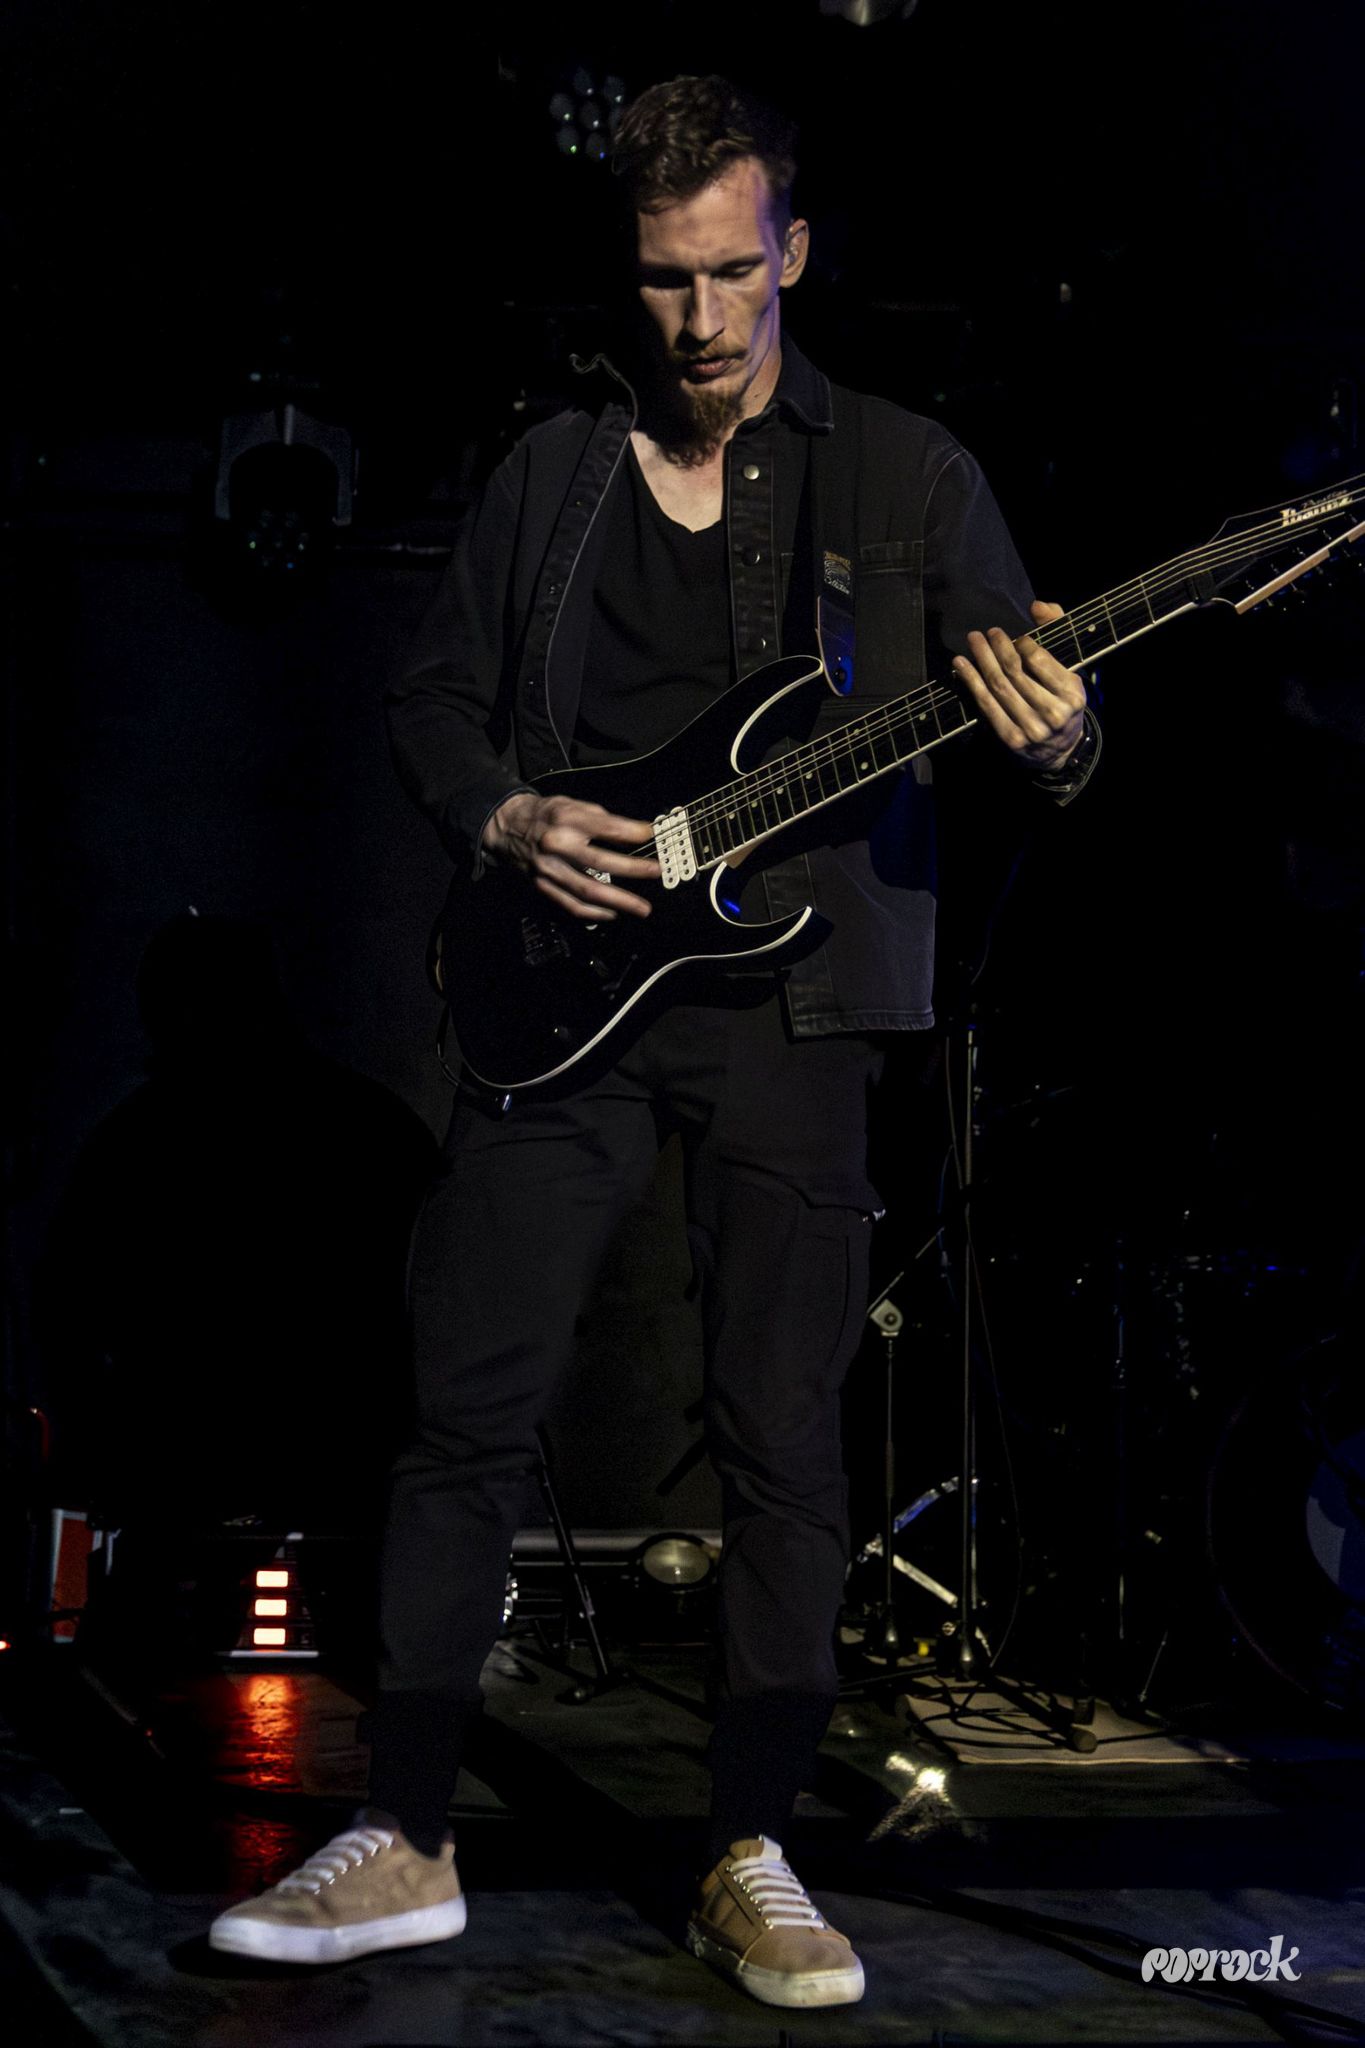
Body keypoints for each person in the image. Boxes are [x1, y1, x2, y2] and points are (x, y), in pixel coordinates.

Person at [210, 74, 1097, 2007]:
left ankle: (748, 1848)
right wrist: (507, 818)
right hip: (561, 998)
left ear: (793, 254)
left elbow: (1040, 715)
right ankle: (409, 1833)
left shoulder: (905, 474)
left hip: (796, 1005)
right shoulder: (551, 473)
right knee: (466, 1405)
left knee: (779, 1436)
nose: (699, 321)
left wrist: (1054, 735)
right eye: (662, 280)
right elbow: (432, 704)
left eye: (730, 275)